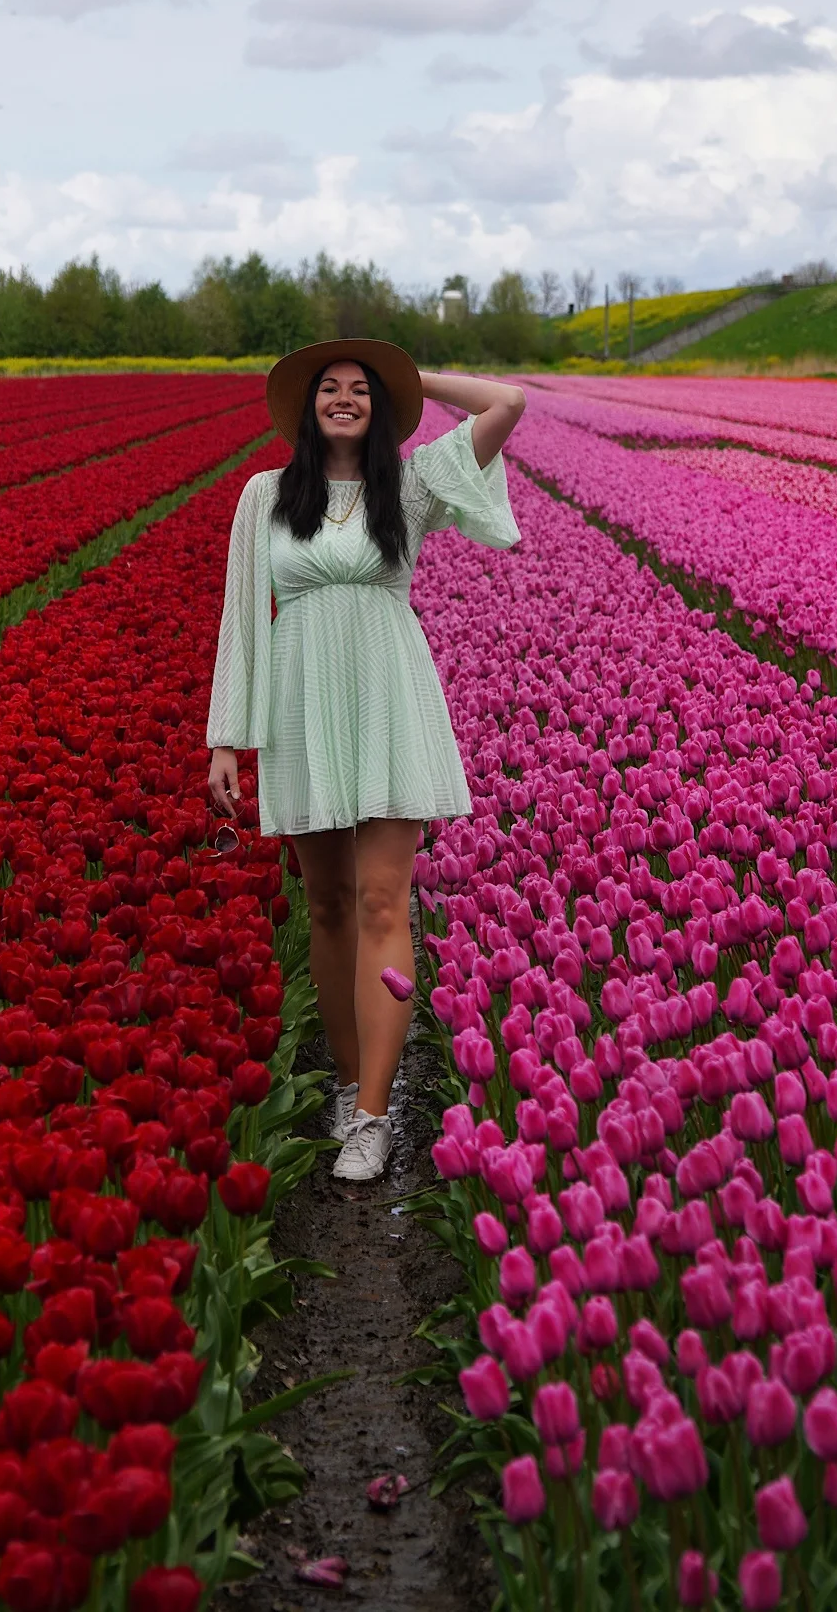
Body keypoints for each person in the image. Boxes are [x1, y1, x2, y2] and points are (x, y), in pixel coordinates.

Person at [205, 339, 525, 1180]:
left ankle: (376, 1116)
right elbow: (243, 621)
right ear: (307, 407)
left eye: (361, 390)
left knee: (385, 899)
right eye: (330, 389)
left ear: (380, 406)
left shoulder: (409, 488)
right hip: (301, 705)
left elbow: (505, 402)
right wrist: (226, 738)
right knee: (331, 906)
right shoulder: (265, 496)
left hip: (389, 698)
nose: (345, 400)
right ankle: (347, 1085)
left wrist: (410, 379)